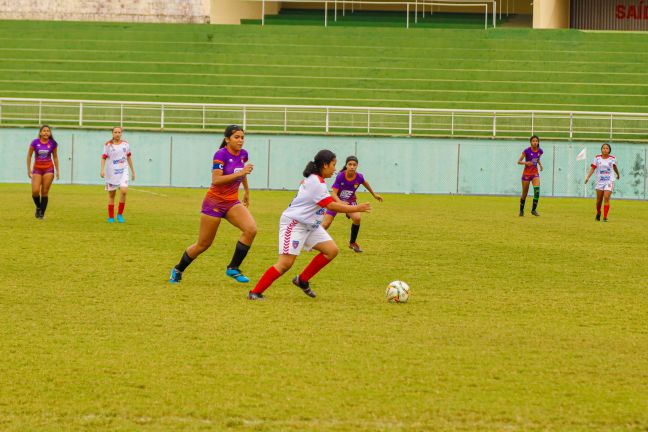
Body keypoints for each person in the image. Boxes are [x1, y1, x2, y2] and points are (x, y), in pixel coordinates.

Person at [248, 150, 371, 301]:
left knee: (331, 251)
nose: (335, 169)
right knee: (285, 263)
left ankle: (302, 280)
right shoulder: (316, 183)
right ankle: (255, 292)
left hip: (310, 225)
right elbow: (331, 206)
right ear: (325, 165)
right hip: (294, 223)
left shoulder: (316, 180)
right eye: (333, 165)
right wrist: (356, 208)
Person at [169, 125, 257, 284]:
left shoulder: (243, 154)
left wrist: (247, 191)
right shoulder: (220, 154)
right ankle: (178, 269)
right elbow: (216, 180)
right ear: (227, 139)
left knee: (251, 229)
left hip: (231, 202)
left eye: (242, 137)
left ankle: (233, 268)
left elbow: (242, 172)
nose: (240, 140)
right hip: (214, 203)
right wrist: (241, 173)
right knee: (203, 244)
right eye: (237, 137)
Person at [321, 155, 382, 252]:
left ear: (357, 166)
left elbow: (365, 183)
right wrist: (340, 203)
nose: (352, 166)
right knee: (326, 224)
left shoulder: (359, 177)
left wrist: (374, 194)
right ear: (346, 165)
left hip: (350, 201)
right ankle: (312, 241)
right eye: (350, 164)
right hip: (336, 201)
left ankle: (352, 243)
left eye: (354, 165)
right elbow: (333, 194)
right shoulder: (341, 176)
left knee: (357, 218)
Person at [100, 127, 135, 223]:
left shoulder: (126, 144)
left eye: (119, 132)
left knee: (123, 191)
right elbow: (103, 158)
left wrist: (133, 171)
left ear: (121, 134)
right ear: (112, 133)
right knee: (112, 195)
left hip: (123, 170)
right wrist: (102, 170)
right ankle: (111, 217)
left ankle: (120, 214)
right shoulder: (108, 145)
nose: (117, 134)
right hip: (111, 172)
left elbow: (129, 157)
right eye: (115, 132)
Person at [26, 125, 59, 219]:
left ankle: (41, 214)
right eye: (44, 131)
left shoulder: (53, 143)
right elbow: (29, 156)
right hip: (37, 169)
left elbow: (55, 157)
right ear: (40, 133)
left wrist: (57, 171)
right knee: (35, 191)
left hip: (49, 169)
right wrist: (29, 170)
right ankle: (38, 207)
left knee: (44, 191)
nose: (46, 132)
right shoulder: (35, 143)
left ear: (50, 133)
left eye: (48, 131)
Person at [585, 143, 620, 222]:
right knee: (599, 200)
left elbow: (614, 167)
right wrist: (587, 177)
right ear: (601, 149)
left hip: (609, 180)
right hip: (599, 181)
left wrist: (618, 174)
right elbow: (593, 168)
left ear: (609, 150)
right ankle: (598, 212)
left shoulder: (612, 158)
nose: (605, 149)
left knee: (606, 197)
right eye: (603, 148)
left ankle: (605, 217)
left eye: (607, 148)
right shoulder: (597, 158)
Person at [517, 135, 543, 217]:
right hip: (526, 174)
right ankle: (521, 210)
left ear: (538, 142)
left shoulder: (540, 151)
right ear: (531, 142)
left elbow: (537, 158)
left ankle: (533, 210)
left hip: (535, 174)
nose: (535, 142)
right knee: (525, 193)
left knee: (537, 191)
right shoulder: (527, 151)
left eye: (536, 141)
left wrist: (540, 165)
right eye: (533, 141)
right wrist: (526, 163)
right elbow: (519, 161)